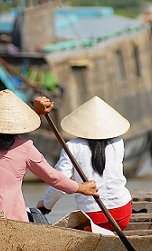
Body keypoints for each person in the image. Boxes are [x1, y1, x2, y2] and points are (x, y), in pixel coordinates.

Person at [0, 89, 98, 222]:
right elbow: (53, 177)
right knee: (37, 216)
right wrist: (81, 188)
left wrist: (35, 111)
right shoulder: (26, 149)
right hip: (8, 219)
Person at [35, 96, 133, 230]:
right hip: (123, 214)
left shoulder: (72, 146)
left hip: (92, 218)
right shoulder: (118, 142)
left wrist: (46, 205)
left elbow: (59, 181)